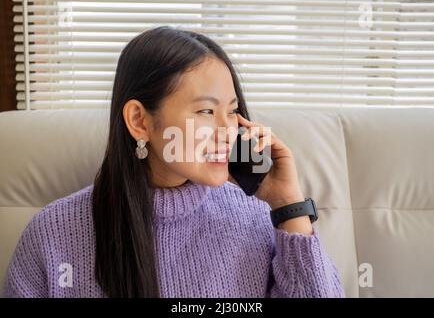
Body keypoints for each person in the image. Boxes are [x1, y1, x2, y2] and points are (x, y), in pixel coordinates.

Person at [3, 26, 344, 298]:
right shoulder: (53, 233)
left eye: (232, 110)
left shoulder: (256, 216)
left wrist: (288, 206)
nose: (228, 131)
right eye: (206, 111)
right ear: (139, 121)